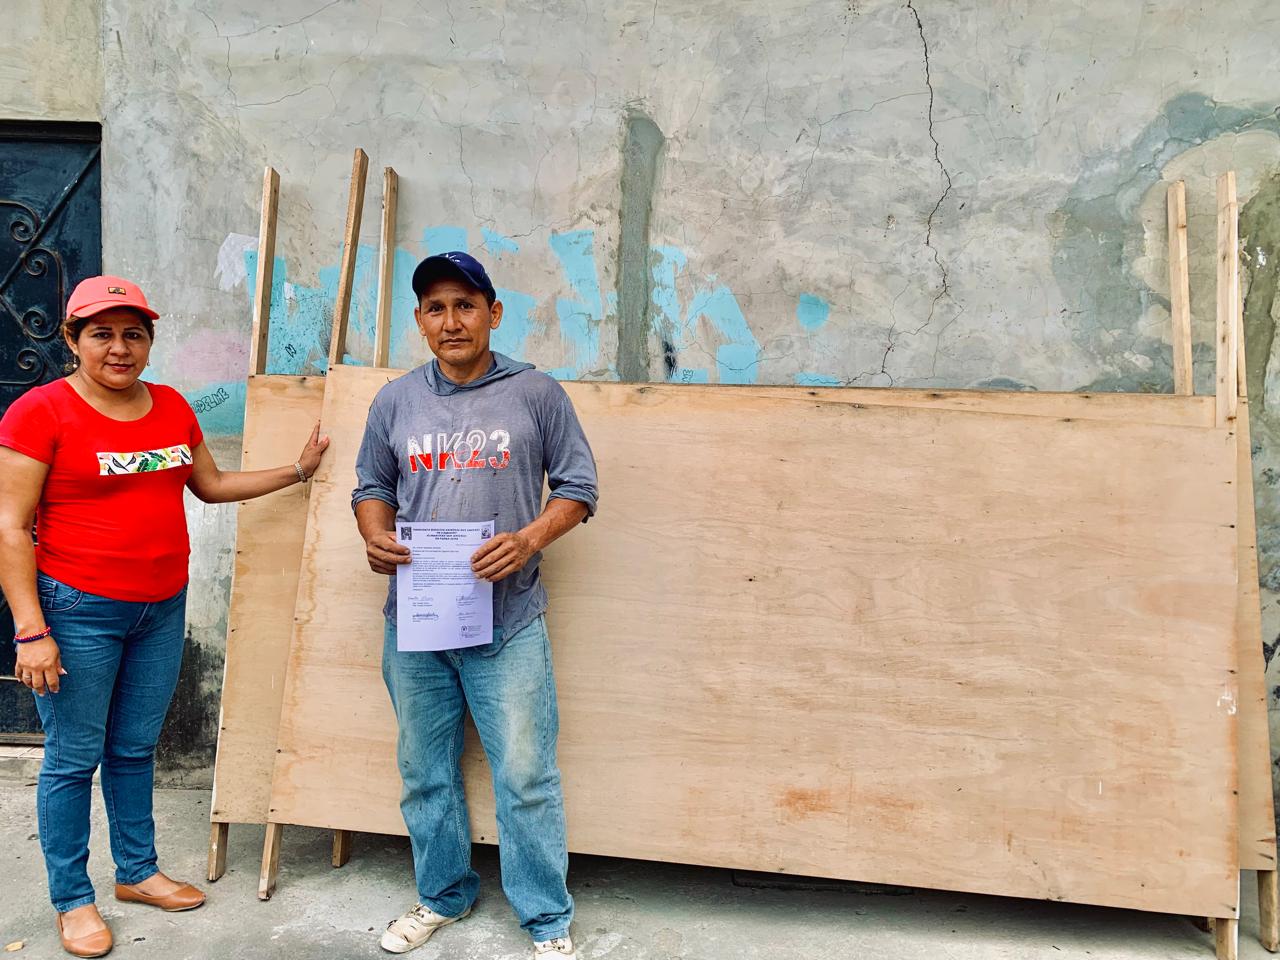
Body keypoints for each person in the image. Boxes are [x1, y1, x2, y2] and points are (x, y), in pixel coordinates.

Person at [0, 276, 329, 958]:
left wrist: (297, 471)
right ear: (72, 339)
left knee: (133, 749)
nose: (120, 348)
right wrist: (31, 630)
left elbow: (211, 485)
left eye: (134, 334)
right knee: (72, 760)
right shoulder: (40, 412)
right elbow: (9, 526)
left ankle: (138, 871)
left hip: (159, 608)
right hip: (78, 611)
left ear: (149, 342)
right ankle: (72, 900)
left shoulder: (172, 405)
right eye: (102, 333)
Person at [352, 252, 598, 959]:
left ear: (494, 313)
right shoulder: (396, 401)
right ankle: (443, 895)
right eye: (436, 308)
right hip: (418, 619)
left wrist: (528, 539)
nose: (451, 321)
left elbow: (579, 487)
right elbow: (372, 485)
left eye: (465, 305)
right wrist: (374, 534)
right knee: (424, 771)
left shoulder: (535, 393)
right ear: (420, 321)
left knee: (525, 776)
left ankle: (546, 918)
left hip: (508, 619)